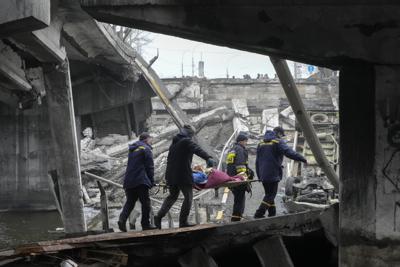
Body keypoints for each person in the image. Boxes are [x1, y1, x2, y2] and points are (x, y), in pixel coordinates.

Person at [154, 124, 216, 228]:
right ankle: (183, 222)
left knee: (172, 196)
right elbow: (197, 149)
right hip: (182, 174)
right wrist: (208, 157)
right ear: (190, 134)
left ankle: (158, 216)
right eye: (192, 135)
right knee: (188, 198)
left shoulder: (175, 142)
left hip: (171, 175)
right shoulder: (186, 141)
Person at [254, 126, 307, 218]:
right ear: (278, 133)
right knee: (271, 195)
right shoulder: (277, 142)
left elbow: (257, 161)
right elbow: (289, 152)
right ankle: (259, 213)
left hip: (263, 173)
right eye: (281, 135)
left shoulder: (261, 143)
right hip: (273, 173)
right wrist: (303, 159)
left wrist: (259, 175)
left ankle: (272, 214)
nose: (281, 137)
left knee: (269, 194)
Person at [118, 132, 157, 232]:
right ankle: (145, 224)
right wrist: (151, 181)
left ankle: (122, 220)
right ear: (146, 139)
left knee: (130, 202)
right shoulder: (146, 149)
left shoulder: (133, 149)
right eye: (151, 139)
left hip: (129, 181)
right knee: (146, 203)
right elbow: (150, 167)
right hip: (140, 181)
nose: (151, 141)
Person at [226, 133, 253, 221]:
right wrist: (244, 177)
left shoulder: (232, 149)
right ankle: (236, 219)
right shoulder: (240, 149)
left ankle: (237, 217)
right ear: (241, 141)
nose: (246, 143)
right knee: (240, 199)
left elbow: (231, 165)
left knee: (238, 198)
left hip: (231, 178)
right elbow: (240, 165)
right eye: (245, 141)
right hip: (238, 179)